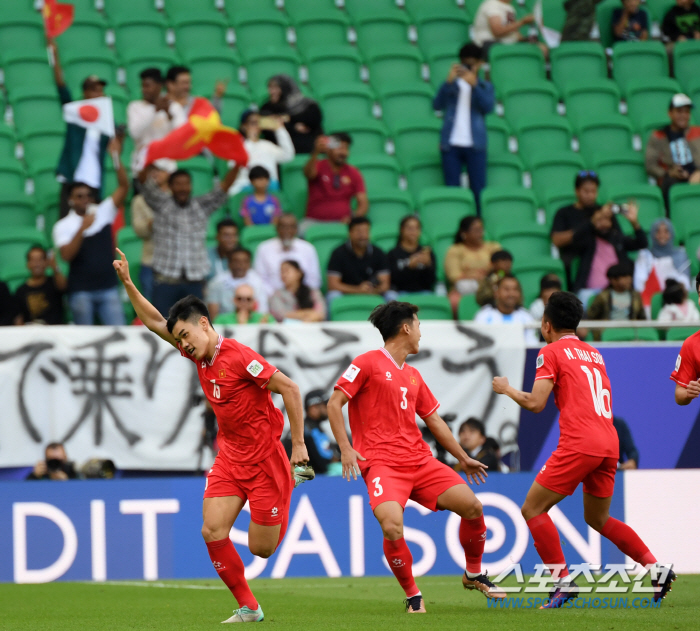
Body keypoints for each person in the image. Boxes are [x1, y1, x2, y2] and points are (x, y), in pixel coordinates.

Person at [113, 251, 310, 623]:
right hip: (231, 457)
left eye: (186, 336)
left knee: (261, 549)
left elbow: (291, 389)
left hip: (267, 458)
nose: (183, 345)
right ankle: (249, 607)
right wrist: (127, 282)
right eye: (180, 341)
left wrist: (298, 444)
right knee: (211, 529)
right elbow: (155, 321)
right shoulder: (199, 355)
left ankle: (287, 485)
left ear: (203, 323)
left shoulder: (238, 357)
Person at [493, 291, 675, 607]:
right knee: (598, 517)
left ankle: (562, 582)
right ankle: (655, 568)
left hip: (581, 441)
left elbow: (536, 403)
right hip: (608, 442)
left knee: (532, 509)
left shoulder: (550, 352)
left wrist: (507, 388)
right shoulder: (593, 353)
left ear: (546, 325)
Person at [327, 301, 505, 613]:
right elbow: (334, 403)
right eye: (419, 325)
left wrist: (463, 457)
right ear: (406, 327)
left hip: (420, 462)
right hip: (381, 464)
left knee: (473, 507)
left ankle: (474, 573)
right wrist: (345, 448)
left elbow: (435, 421)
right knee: (392, 526)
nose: (421, 333)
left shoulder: (413, 375)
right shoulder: (366, 363)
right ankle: (413, 595)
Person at [137, 163, 240, 317]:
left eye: (186, 184)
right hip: (165, 281)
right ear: (170, 186)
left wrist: (238, 164)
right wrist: (147, 160)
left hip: (195, 283)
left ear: (191, 186)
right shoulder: (160, 203)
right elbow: (144, 182)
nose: (182, 188)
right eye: (178, 184)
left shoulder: (201, 206)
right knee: (163, 328)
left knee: (196, 332)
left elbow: (223, 188)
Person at [53, 139, 128, 325]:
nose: (85, 200)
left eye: (88, 196)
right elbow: (66, 256)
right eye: (79, 196)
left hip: (108, 287)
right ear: (70, 200)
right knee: (83, 341)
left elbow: (124, 187)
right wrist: (82, 228)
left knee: (119, 335)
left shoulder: (102, 212)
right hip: (80, 291)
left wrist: (116, 158)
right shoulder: (63, 225)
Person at [48, 36, 112, 217]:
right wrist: (54, 56)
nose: (98, 93)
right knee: (67, 225)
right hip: (73, 177)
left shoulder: (106, 120)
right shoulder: (75, 113)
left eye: (100, 90)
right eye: (93, 89)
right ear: (84, 93)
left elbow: (113, 149)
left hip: (94, 182)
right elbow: (61, 86)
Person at [433, 43, 495, 213]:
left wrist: (474, 85)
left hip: (476, 144)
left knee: (478, 190)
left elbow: (488, 107)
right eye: (465, 64)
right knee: (452, 191)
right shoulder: (451, 85)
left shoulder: (485, 86)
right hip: (450, 143)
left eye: (472, 64)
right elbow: (437, 105)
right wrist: (448, 82)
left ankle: (478, 226)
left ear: (480, 64)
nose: (468, 68)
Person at [571, 203, 648, 301]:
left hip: (617, 292)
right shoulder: (587, 241)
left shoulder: (618, 239)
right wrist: (592, 221)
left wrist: (634, 222)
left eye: (606, 219)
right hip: (590, 292)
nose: (603, 224)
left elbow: (642, 243)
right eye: (599, 220)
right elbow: (574, 238)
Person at [127, 68, 187, 179]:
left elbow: (182, 137)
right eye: (143, 86)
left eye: (148, 86)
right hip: (142, 170)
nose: (144, 90)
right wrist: (154, 110)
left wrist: (169, 116)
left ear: (159, 86)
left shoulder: (174, 107)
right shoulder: (135, 107)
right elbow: (135, 133)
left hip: (167, 169)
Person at [131, 160, 177, 301]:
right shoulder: (139, 200)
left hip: (175, 262)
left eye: (160, 169)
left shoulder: (177, 198)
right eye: (152, 170)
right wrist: (152, 223)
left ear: (169, 173)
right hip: (151, 262)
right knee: (152, 309)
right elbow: (139, 230)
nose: (155, 173)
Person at [645, 94, 700, 204]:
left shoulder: (697, 132)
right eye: (679, 111)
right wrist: (668, 173)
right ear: (670, 113)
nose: (683, 116)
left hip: (696, 175)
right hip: (673, 178)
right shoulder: (659, 136)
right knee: (670, 183)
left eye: (687, 112)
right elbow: (650, 165)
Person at [551, 171, 603, 287]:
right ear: (577, 191)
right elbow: (557, 240)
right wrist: (590, 223)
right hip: (574, 265)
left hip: (602, 266)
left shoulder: (602, 211)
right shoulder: (564, 212)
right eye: (586, 191)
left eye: (593, 191)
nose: (590, 195)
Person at [304, 133, 368, 226]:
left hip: (343, 223)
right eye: (339, 148)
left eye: (345, 148)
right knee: (301, 232)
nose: (343, 152)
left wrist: (353, 219)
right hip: (314, 221)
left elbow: (363, 203)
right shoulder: (318, 165)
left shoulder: (354, 172)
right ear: (329, 149)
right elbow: (308, 174)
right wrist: (316, 152)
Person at [229, 110, 295, 195]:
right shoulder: (239, 146)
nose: (256, 126)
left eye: (258, 123)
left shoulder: (268, 145)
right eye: (253, 123)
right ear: (244, 126)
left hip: (270, 189)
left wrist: (279, 129)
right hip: (246, 188)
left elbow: (288, 156)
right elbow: (232, 165)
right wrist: (250, 141)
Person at [326, 217, 390, 304]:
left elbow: (385, 284)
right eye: (359, 231)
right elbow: (333, 285)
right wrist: (358, 290)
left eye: (366, 231)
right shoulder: (338, 253)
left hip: (372, 293)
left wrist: (372, 291)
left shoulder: (378, 252)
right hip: (347, 293)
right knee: (333, 296)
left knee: (391, 295)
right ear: (350, 233)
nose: (363, 235)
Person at [254, 213, 322, 294]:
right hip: (272, 298)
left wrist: (300, 295)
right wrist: (277, 296)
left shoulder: (308, 249)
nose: (287, 231)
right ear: (277, 229)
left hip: (302, 297)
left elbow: (314, 280)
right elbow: (260, 280)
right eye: (283, 227)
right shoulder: (264, 248)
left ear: (296, 229)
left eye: (291, 227)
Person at [445, 216, 502, 312]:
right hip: (464, 288)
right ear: (464, 233)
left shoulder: (494, 247)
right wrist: (477, 276)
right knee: (454, 301)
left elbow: (502, 271)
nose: (480, 233)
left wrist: (494, 276)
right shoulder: (455, 250)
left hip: (491, 284)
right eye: (476, 230)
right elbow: (454, 276)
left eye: (481, 229)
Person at [634, 218, 691, 308]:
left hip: (675, 300)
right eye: (658, 232)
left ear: (671, 233)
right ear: (652, 234)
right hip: (650, 302)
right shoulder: (645, 255)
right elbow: (639, 283)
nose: (662, 235)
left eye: (666, 232)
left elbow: (685, 283)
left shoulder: (681, 254)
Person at [260, 75, 323, 154]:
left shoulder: (305, 104)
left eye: (276, 88)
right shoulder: (267, 107)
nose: (272, 92)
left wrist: (287, 119)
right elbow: (267, 127)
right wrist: (293, 127)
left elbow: (314, 119)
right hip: (282, 145)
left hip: (309, 141)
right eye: (270, 88)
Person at [206, 248, 269, 321]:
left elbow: (263, 312)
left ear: (250, 264)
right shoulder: (216, 283)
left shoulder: (258, 282)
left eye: (245, 261)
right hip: (225, 324)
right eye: (236, 261)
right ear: (229, 263)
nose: (240, 265)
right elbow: (213, 317)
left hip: (253, 324)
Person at [474, 274, 539, 344]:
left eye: (515, 289)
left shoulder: (526, 317)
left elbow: (532, 345)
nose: (511, 293)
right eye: (506, 289)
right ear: (497, 293)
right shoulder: (484, 315)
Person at [587, 262, 646, 337]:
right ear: (613, 280)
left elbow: (642, 317)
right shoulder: (602, 297)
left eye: (630, 276)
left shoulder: (636, 296)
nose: (629, 280)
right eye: (625, 277)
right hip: (608, 332)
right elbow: (592, 317)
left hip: (631, 331)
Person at [13, 246, 66, 325]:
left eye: (40, 260)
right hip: (31, 333)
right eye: (33, 260)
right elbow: (19, 319)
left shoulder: (54, 282)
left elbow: (64, 287)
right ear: (28, 264)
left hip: (55, 332)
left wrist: (55, 267)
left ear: (46, 262)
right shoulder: (21, 290)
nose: (37, 264)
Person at [288, 390, 337, 475]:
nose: (329, 408)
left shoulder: (314, 428)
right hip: (311, 482)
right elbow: (321, 465)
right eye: (325, 405)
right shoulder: (306, 431)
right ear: (313, 408)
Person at [387, 216, 436, 295]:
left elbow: (431, 281)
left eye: (416, 228)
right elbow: (392, 281)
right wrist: (409, 267)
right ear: (401, 230)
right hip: (400, 293)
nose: (413, 231)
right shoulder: (393, 254)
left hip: (424, 292)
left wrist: (428, 266)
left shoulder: (426, 253)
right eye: (409, 228)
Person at [472, 0, 536, 50]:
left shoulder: (509, 7)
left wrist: (526, 40)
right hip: (490, 45)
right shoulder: (492, 5)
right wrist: (522, 22)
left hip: (507, 45)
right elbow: (497, 31)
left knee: (539, 48)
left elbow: (512, 31)